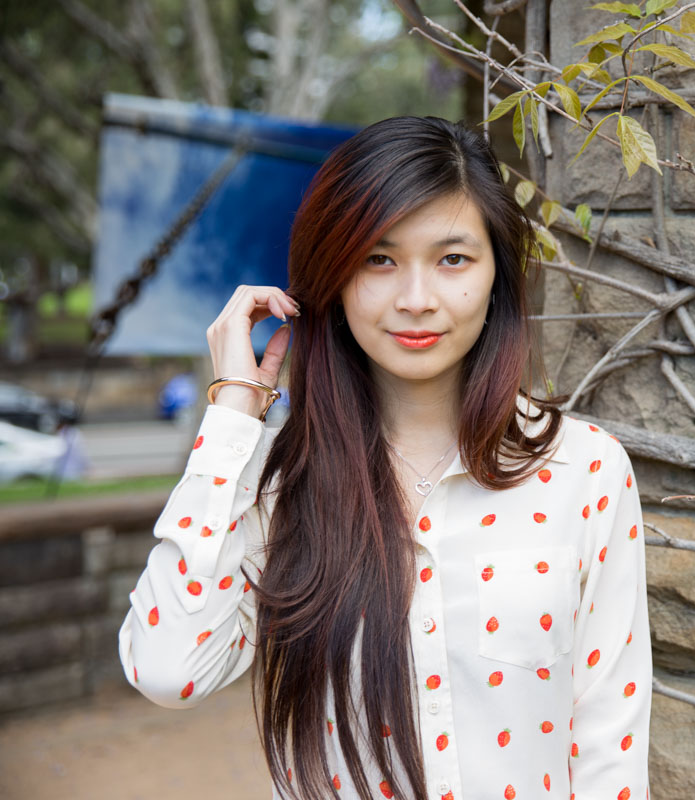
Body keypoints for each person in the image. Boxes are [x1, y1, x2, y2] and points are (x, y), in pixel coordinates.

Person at [117, 116, 652, 800]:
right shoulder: (278, 488)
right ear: (332, 278)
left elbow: (610, 743)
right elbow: (167, 671)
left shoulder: (586, 471)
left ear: (498, 276)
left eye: (453, 259)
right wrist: (232, 412)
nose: (417, 300)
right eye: (379, 259)